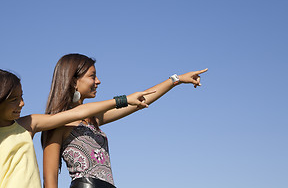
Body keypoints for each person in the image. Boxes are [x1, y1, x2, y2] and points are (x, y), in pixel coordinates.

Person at [0, 68, 153, 188]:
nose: (22, 104)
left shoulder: (28, 124)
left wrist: (123, 100)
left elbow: (77, 113)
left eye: (21, 97)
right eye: (14, 100)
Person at [41, 54, 208, 188]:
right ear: (74, 81)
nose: (98, 81)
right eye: (93, 76)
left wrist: (175, 80)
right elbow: (50, 182)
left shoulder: (92, 119)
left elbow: (141, 101)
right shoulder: (56, 124)